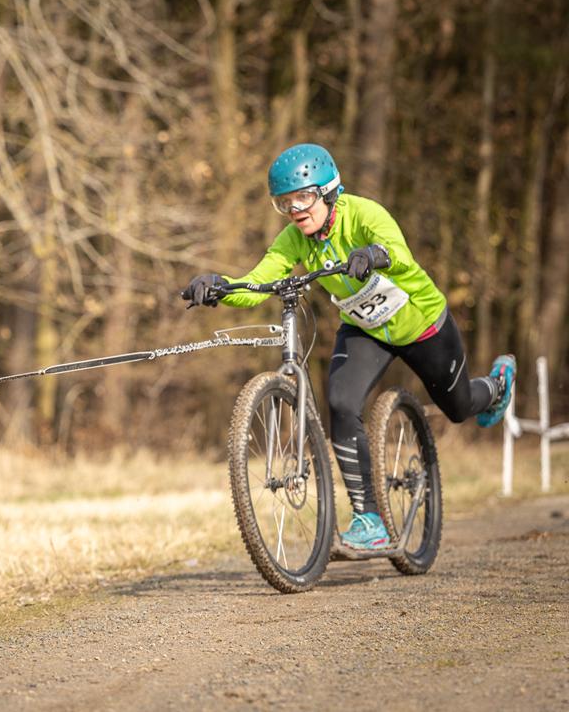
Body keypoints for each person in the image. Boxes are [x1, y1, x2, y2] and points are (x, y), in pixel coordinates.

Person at [180, 143, 516, 550]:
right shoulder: (295, 239)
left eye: (303, 197)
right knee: (340, 402)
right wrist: (221, 287)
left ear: (328, 191)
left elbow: (401, 256)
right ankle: (368, 519)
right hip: (365, 331)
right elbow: (259, 281)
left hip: (422, 323)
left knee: (460, 408)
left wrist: (374, 255)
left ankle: (497, 385)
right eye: (284, 203)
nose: (295, 210)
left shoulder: (364, 214)